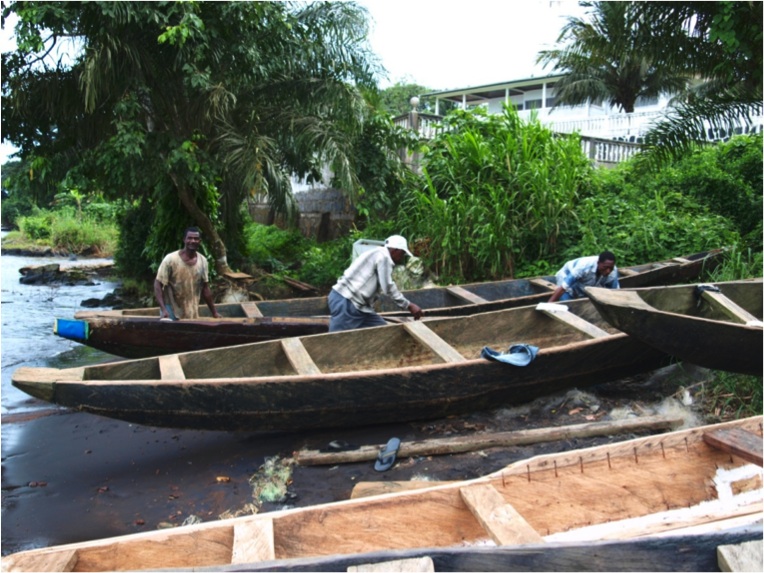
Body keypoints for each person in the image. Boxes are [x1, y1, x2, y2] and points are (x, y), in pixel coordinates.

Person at [328, 234, 424, 332]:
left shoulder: (377, 252)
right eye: (402, 253)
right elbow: (388, 287)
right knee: (337, 340)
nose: (401, 257)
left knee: (382, 330)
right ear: (396, 250)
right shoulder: (384, 256)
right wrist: (408, 305)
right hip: (347, 301)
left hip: (360, 307)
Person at [154, 227, 221, 320]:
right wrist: (163, 309)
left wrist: (214, 312)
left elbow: (205, 289)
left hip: (191, 311)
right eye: (189, 238)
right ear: (184, 239)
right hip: (171, 312)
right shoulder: (171, 259)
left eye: (196, 239)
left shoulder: (203, 261)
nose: (192, 241)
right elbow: (158, 283)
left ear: (199, 241)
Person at [548, 251, 619, 302]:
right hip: (567, 275)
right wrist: (547, 305)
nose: (608, 271)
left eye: (610, 268)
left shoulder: (613, 271)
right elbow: (563, 288)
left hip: (586, 282)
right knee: (568, 305)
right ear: (598, 263)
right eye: (605, 267)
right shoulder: (584, 267)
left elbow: (615, 292)